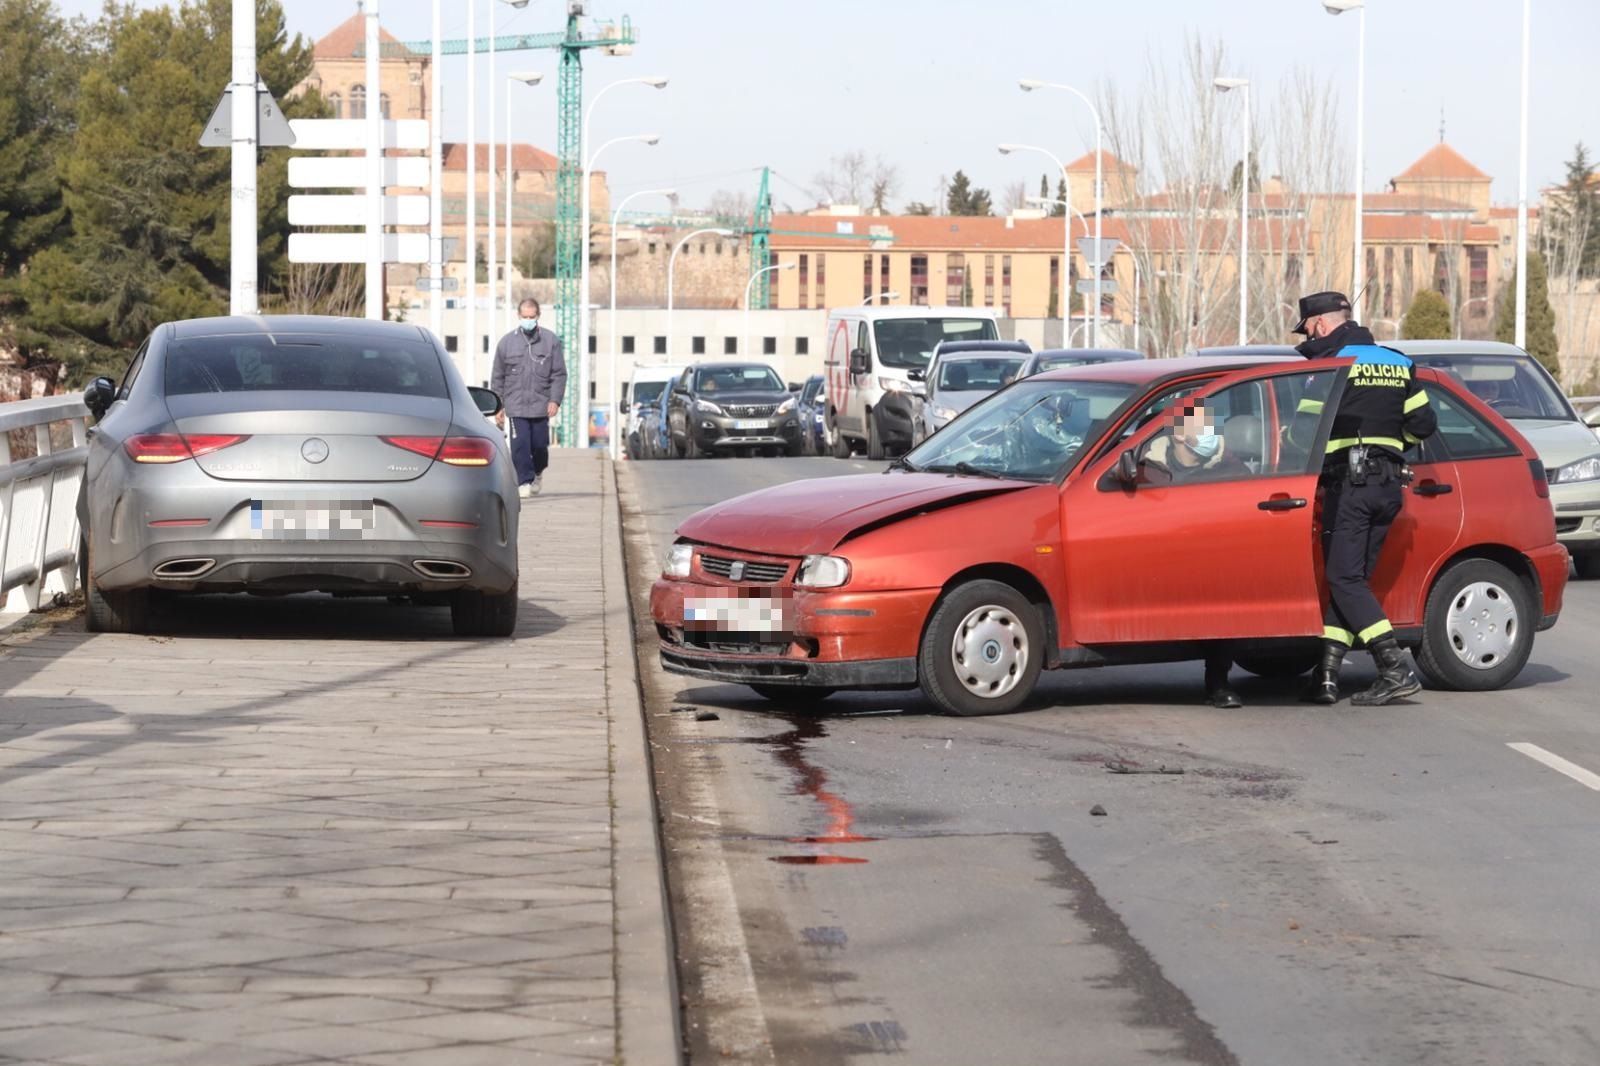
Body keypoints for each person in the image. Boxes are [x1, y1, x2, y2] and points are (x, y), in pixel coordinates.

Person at [1293, 291, 1438, 706]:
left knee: (1343, 579)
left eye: (1307, 328)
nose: (1307, 336)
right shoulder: (1397, 361)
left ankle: (1394, 668)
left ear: (1320, 324)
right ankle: (1326, 676)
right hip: (1389, 487)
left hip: (1349, 487)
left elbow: (1303, 433)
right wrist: (1390, 446)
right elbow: (1424, 425)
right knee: (1351, 581)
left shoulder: (1329, 367)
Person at [1144, 401, 1250, 708]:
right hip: (1158, 554)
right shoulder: (1150, 468)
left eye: (1212, 425)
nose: (1211, 433)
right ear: (1178, 435)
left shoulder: (1230, 467)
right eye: (1202, 426)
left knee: (1223, 593)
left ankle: (1217, 682)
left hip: (1208, 556)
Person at [491, 298, 567, 499]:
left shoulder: (551, 341)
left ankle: (538, 471)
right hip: (515, 406)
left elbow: (559, 374)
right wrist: (498, 405)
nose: (528, 321)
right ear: (518, 316)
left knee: (539, 446)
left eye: (531, 317)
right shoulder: (507, 343)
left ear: (538, 316)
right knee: (520, 445)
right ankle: (524, 481)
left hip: (541, 405)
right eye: (525, 317)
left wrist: (555, 400)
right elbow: (498, 376)